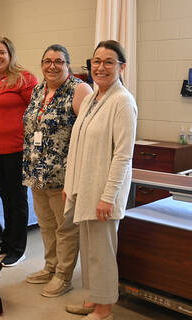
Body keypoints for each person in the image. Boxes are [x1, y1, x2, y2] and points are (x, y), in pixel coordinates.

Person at [63, 40, 137, 320]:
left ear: (122, 67)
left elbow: (123, 156)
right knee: (90, 250)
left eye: (109, 62)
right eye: (96, 61)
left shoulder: (122, 101)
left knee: (103, 252)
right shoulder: (93, 97)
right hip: (86, 187)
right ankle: (95, 299)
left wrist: (108, 196)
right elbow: (79, 144)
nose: (101, 67)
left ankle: (105, 309)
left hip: (104, 191)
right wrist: (71, 187)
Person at [22, 44, 93, 297]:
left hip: (64, 175)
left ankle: (63, 275)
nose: (52, 65)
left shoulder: (80, 89)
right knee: (46, 224)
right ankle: (50, 266)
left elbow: (88, 135)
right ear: (42, 64)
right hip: (37, 172)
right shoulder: (39, 89)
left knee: (66, 228)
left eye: (59, 61)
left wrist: (77, 176)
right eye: (47, 61)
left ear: (68, 65)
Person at [0, 37, 37, 267]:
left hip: (18, 150)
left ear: (10, 54)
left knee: (17, 200)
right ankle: (7, 243)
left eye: (1, 52)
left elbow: (35, 112)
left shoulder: (24, 78)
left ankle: (18, 248)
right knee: (5, 198)